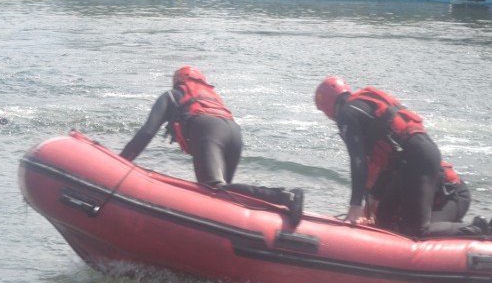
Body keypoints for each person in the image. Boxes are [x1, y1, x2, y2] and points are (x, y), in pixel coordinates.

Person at [120, 66, 304, 226]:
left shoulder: (171, 95)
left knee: (214, 189)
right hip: (234, 131)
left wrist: (119, 163)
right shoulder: (210, 97)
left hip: (208, 130)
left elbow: (145, 133)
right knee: (224, 199)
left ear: (177, 81)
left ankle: (285, 196)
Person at [314, 76, 487, 237]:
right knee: (383, 219)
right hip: (416, 155)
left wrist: (355, 207)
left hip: (417, 157)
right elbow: (389, 157)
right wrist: (373, 197)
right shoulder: (361, 106)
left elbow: (358, 161)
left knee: (416, 231)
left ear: (327, 106)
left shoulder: (347, 113)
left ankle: (481, 229)